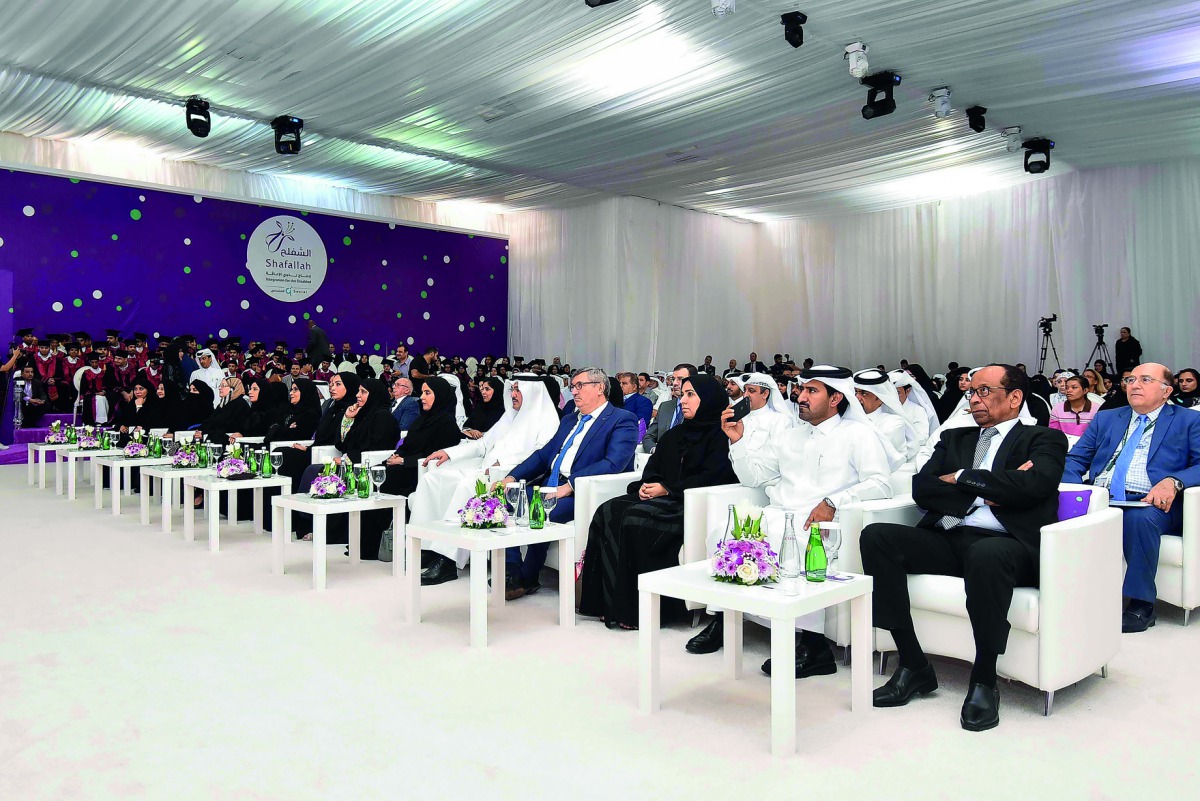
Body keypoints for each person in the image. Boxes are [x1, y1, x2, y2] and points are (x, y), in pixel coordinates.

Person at [860, 365, 1066, 732]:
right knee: (876, 536)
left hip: (1007, 546)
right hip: (950, 537)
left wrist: (961, 478)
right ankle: (913, 664)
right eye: (971, 392)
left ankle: (984, 680)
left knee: (986, 555)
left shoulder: (1043, 439)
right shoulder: (955, 438)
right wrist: (992, 490)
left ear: (1015, 397)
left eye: (984, 391)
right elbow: (923, 489)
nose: (974, 399)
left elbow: (1035, 485)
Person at [688, 366, 893, 675]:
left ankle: (814, 646)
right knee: (724, 532)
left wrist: (833, 502)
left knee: (793, 544)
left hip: (821, 523)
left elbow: (880, 484)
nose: (801, 396)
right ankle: (724, 619)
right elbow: (755, 477)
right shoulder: (791, 435)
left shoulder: (857, 434)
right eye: (802, 390)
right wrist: (737, 441)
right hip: (780, 513)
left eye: (812, 391)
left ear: (836, 398)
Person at [579, 375, 738, 629]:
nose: (683, 400)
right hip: (661, 498)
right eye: (682, 394)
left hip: (688, 505)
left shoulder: (721, 437)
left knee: (637, 520)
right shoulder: (675, 435)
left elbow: (715, 477)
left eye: (690, 395)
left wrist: (667, 489)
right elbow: (653, 467)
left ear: (708, 399)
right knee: (608, 510)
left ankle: (637, 610)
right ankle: (606, 603)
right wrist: (648, 485)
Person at [1062, 363, 1200, 632]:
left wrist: (1174, 481)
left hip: (1152, 502)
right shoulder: (1107, 418)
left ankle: (1141, 604)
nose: (1134, 385)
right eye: (1131, 379)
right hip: (1102, 496)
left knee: (1139, 519)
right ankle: (1065, 595)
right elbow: (1075, 459)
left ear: (1166, 391)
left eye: (1145, 380)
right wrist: (1076, 493)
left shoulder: (1188, 420)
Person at [497, 368, 639, 600]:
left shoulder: (621, 419)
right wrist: (512, 477)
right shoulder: (570, 419)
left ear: (600, 388)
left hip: (582, 492)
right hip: (550, 485)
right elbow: (544, 455)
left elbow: (613, 463)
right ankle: (512, 570)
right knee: (503, 501)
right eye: (573, 386)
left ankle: (528, 576)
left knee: (541, 510)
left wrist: (570, 486)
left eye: (580, 385)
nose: (574, 391)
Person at [416, 375, 561, 584]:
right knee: (432, 479)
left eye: (518, 390)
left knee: (467, 486)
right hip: (482, 470)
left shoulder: (547, 421)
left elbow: (539, 459)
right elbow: (482, 445)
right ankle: (429, 547)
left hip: (506, 477)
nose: (513, 394)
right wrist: (448, 453)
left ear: (532, 393)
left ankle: (447, 560)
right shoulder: (510, 416)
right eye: (512, 389)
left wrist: (502, 464)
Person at [276, 372, 361, 493]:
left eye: (338, 384)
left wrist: (310, 449)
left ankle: (292, 495)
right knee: (281, 452)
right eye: (332, 384)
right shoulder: (332, 409)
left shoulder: (351, 411)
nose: (332, 388)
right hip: (316, 449)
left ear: (349, 386)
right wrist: (308, 448)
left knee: (288, 456)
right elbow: (321, 435)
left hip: (328, 453)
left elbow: (336, 439)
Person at [854, 368, 919, 466]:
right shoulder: (850, 419)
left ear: (880, 399)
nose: (857, 397)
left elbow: (872, 454)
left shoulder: (894, 422)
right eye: (856, 392)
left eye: (864, 393)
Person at [641, 364, 697, 452]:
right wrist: (654, 450)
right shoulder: (665, 407)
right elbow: (649, 436)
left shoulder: (700, 408)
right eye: (673, 379)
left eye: (680, 379)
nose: (674, 383)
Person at [263, 379, 323, 446]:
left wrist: (277, 428)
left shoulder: (310, 414)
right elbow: (273, 426)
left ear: (305, 392)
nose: (291, 393)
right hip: (278, 444)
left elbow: (296, 436)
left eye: (295, 390)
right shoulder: (292, 410)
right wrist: (283, 428)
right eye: (291, 390)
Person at [889, 369, 938, 443]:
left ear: (907, 391)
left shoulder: (918, 411)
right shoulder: (885, 409)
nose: (894, 396)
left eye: (898, 393)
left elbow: (923, 437)